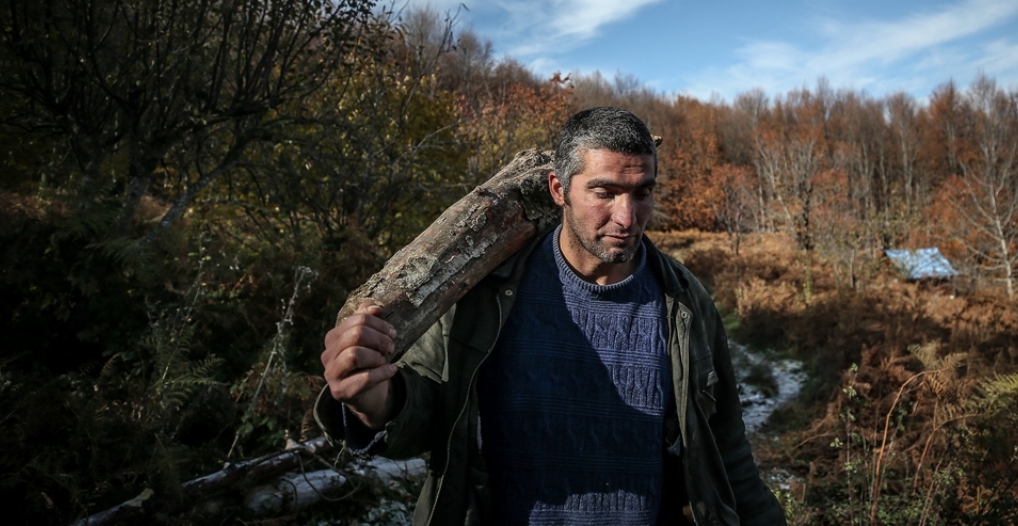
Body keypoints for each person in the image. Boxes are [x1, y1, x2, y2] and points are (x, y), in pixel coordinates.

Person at [318, 107, 785, 526]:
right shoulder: (486, 292)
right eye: (605, 192)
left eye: (643, 193)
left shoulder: (684, 302)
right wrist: (374, 401)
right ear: (558, 189)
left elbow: (726, 451)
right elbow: (427, 415)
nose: (627, 216)